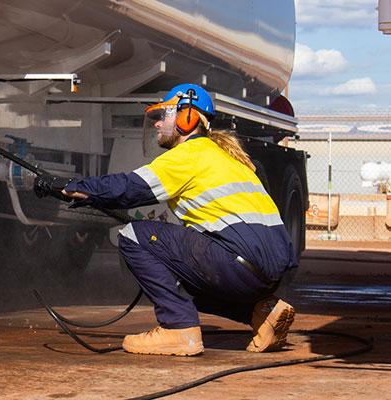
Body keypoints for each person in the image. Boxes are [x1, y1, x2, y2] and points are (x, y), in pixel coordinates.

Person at [34, 83, 297, 356]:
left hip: (237, 263)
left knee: (134, 235)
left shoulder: (187, 155)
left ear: (188, 118)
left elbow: (128, 187)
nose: (157, 124)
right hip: (268, 274)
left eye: (163, 116)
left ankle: (178, 329)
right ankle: (262, 313)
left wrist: (68, 187)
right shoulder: (228, 158)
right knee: (177, 275)